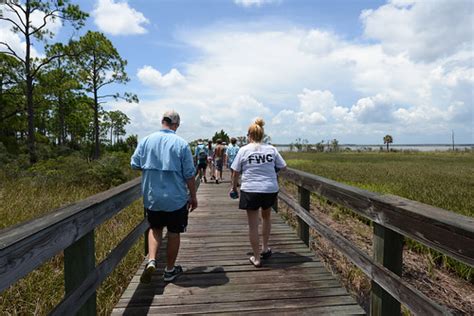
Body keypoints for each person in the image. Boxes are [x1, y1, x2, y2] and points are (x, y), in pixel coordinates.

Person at [131, 110, 198, 283]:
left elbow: (135, 163)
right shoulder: (181, 144)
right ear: (176, 124)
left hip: (152, 197)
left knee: (155, 229)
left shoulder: (146, 140)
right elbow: (190, 174)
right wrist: (193, 196)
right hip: (175, 199)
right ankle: (169, 270)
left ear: (162, 121)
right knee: (174, 233)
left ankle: (152, 259)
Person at [230, 118, 287, 268]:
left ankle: (256, 258)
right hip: (269, 189)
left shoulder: (243, 150)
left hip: (250, 189)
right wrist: (271, 171)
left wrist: (233, 187)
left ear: (249, 135)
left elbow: (235, 172)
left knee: (253, 225)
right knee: (266, 218)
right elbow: (283, 166)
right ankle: (265, 248)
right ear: (262, 135)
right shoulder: (271, 149)